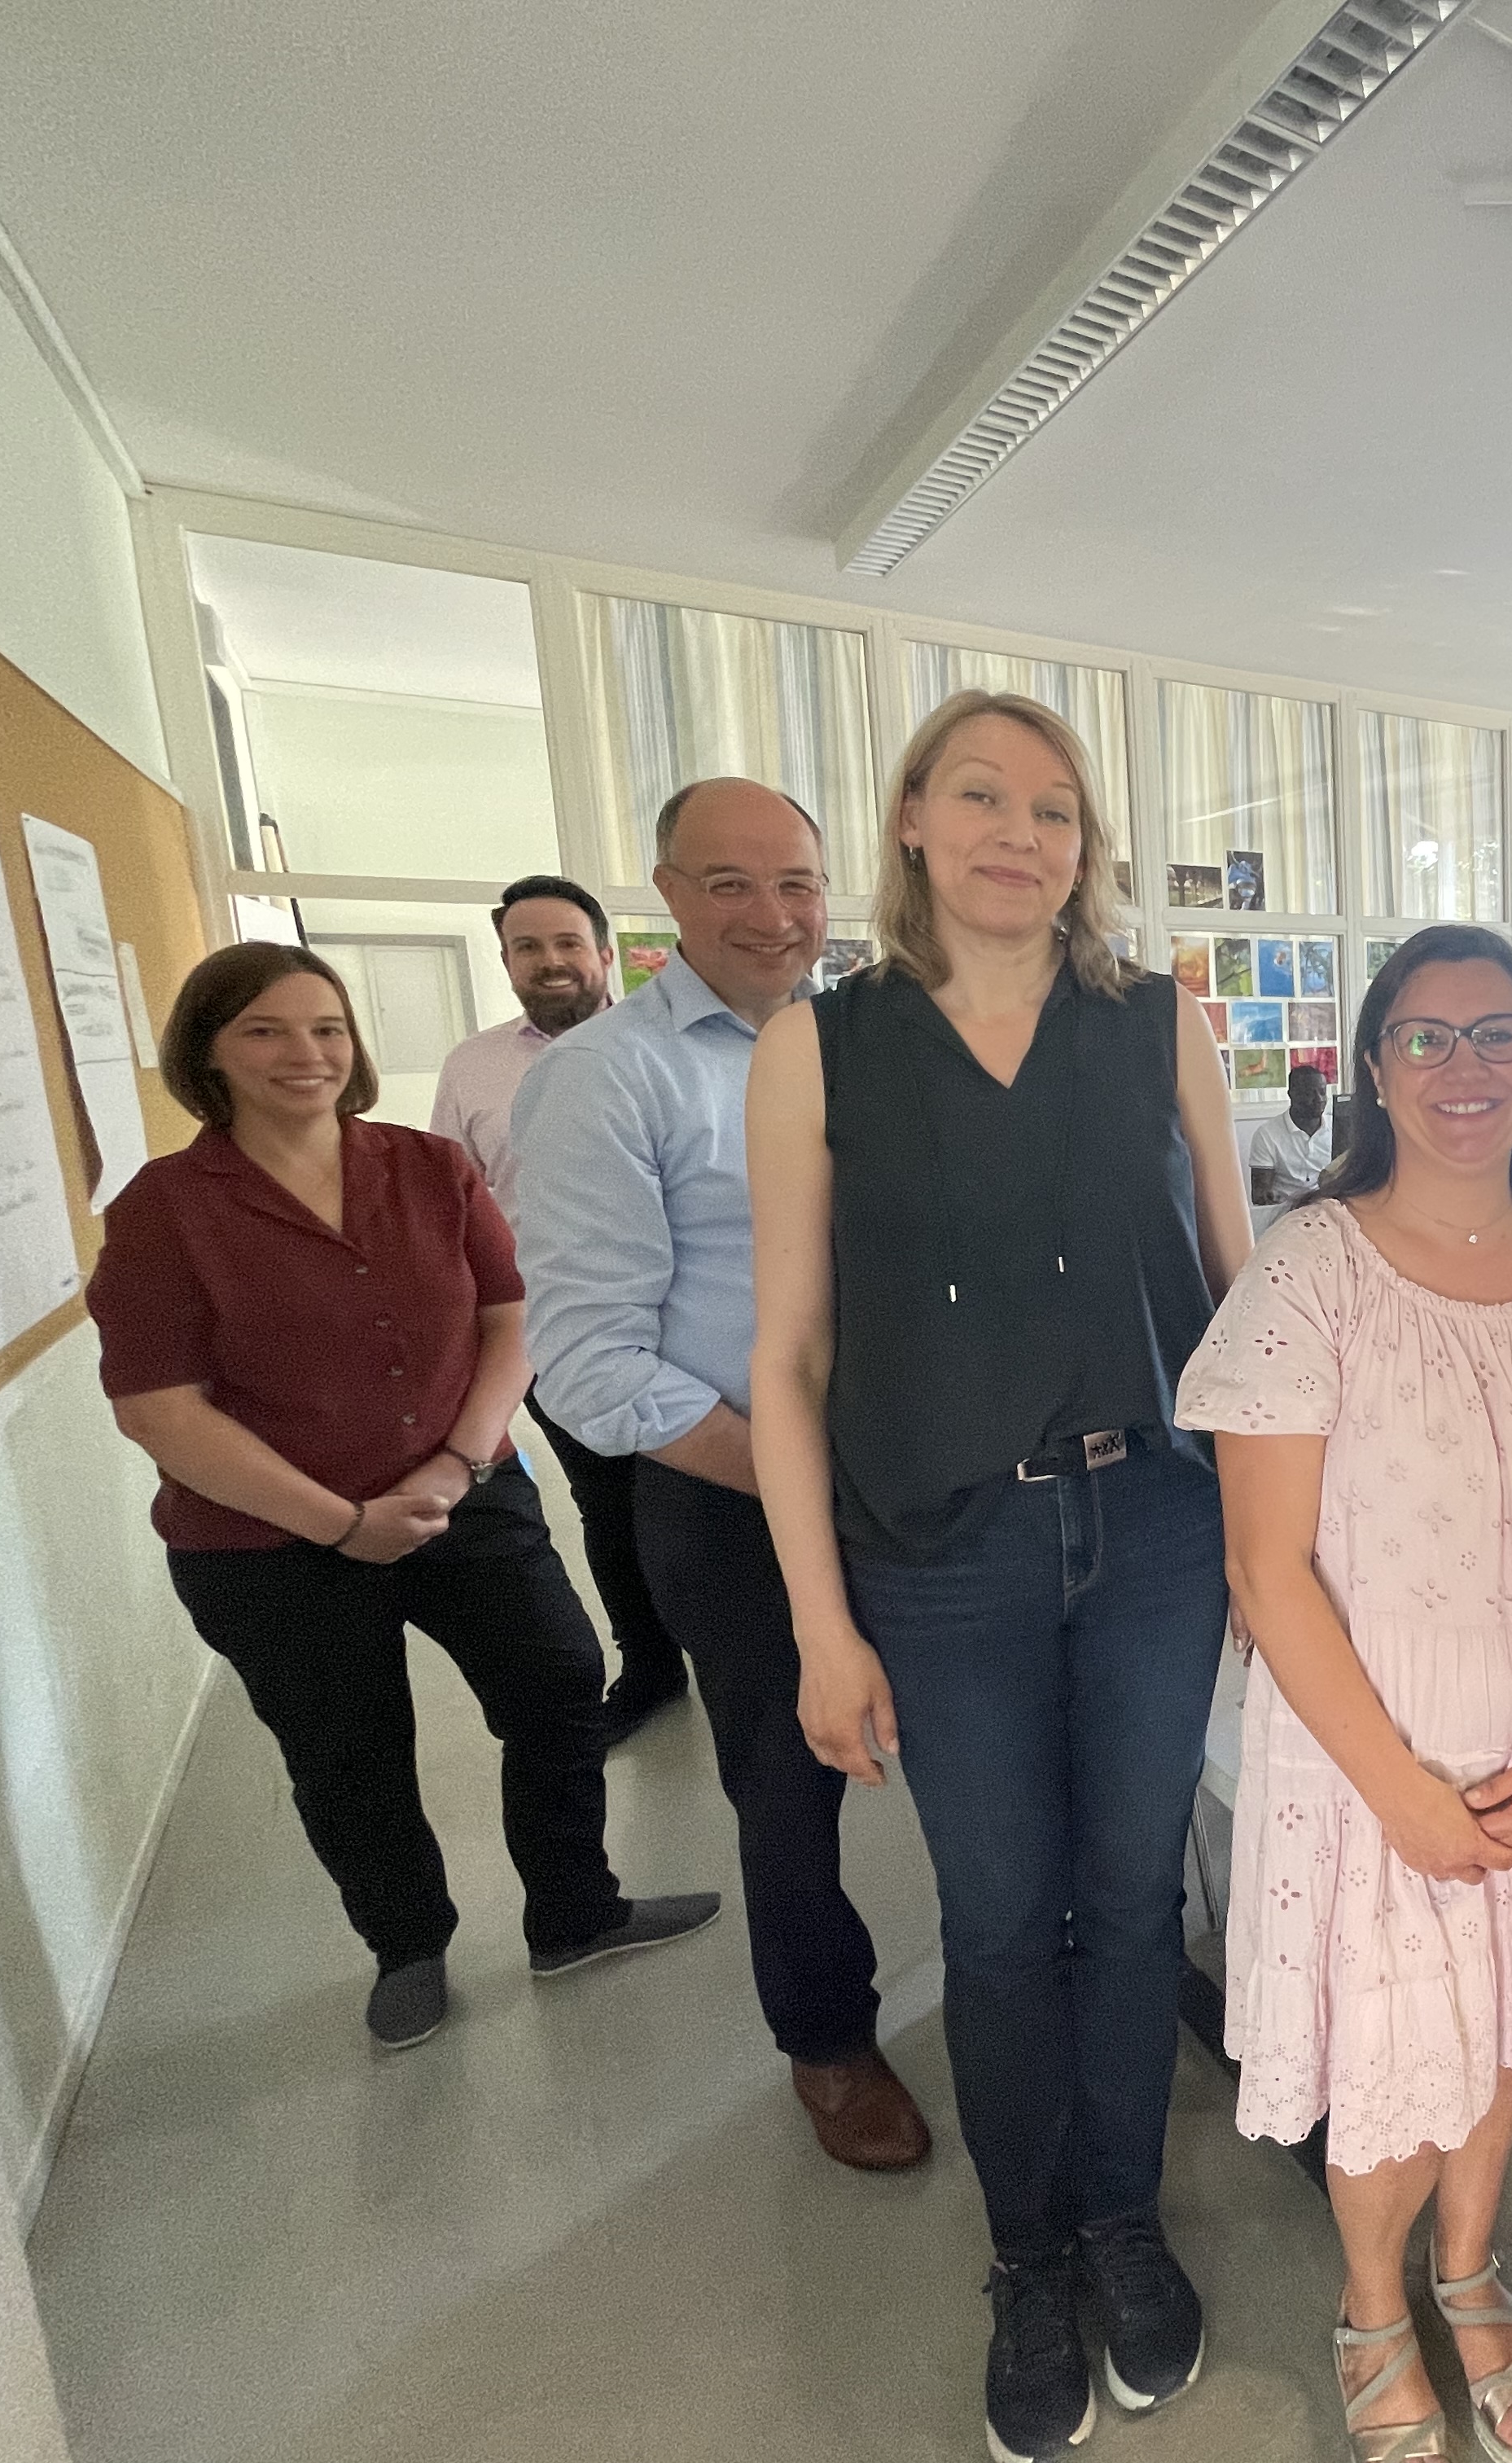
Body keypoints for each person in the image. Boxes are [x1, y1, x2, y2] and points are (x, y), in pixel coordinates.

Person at [749, 694, 1251, 2463]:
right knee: (994, 1919)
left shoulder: (1158, 1024)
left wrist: (1268, 1547)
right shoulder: (821, 1047)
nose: (1018, 833)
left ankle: (1124, 2215)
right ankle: (1025, 2255)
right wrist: (821, 1625)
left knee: (1128, 1905)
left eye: (1054, 807)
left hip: (1159, 1536)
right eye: (980, 796)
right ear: (907, 824)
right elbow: (791, 1358)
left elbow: (1236, 1296)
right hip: (940, 1556)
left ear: (1086, 847)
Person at [1177, 923, 1512, 2463]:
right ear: (1373, 1071)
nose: (1466, 1066)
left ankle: (1465, 2271)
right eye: (1426, 1035)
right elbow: (1267, 1570)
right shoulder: (1308, 1273)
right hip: (1370, 1757)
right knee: (1395, 2061)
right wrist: (1403, 1790)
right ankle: (1368, 2299)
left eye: (1498, 1033)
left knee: (1500, 2034)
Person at [89, 944, 717, 2053]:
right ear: (210, 1054)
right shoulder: (167, 1209)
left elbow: (510, 1317)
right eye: (267, 1032)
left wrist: (454, 1465)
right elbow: (161, 1412)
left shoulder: (428, 1168)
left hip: (462, 1492)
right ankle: (408, 1944)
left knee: (559, 1679)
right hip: (266, 1542)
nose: (307, 1054)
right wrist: (343, 1524)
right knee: (348, 1747)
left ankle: (576, 1912)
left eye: (327, 1028)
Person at [512, 779, 927, 2177]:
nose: (774, 914)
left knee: (976, 1745)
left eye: (799, 882)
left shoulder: (871, 1045)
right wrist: (805, 1481)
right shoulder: (609, 1073)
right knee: (788, 1779)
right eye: (733, 883)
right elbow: (589, 1366)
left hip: (917, 1482)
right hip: (735, 1494)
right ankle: (826, 2038)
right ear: (667, 893)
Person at [429, 871, 686, 1745]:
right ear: (504, 961)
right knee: (610, 1509)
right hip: (561, 1338)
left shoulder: (672, 1046)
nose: (551, 962)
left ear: (605, 955)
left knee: (714, 1503)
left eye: (568, 944)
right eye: (528, 947)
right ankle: (651, 1668)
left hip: (686, 1322)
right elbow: (451, 1207)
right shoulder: (474, 1068)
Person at [1251, 1060, 1334, 1204]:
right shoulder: (1267, 1134)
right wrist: (1268, 1196)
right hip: (1284, 1212)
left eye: (1322, 1092)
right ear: (1292, 1094)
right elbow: (1260, 1193)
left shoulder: (1338, 1128)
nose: (1319, 1099)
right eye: (1310, 1093)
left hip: (1328, 1209)